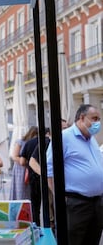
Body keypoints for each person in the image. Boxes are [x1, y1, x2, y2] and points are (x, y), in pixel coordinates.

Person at [47, 104, 103, 245]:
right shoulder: (64, 137)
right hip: (75, 203)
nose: (98, 123)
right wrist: (59, 198)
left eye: (99, 119)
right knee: (73, 240)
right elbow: (49, 169)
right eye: (94, 118)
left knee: (92, 240)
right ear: (82, 118)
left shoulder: (91, 139)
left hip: (96, 203)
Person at [20, 127, 50, 226]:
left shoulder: (28, 143)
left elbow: (22, 161)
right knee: (48, 204)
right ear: (48, 133)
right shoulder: (48, 142)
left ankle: (36, 225)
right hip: (48, 176)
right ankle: (49, 226)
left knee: (35, 205)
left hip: (33, 177)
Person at [9, 126, 38, 200]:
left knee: (29, 191)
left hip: (31, 168)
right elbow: (14, 156)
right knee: (20, 190)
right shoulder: (20, 142)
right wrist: (25, 161)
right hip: (20, 169)